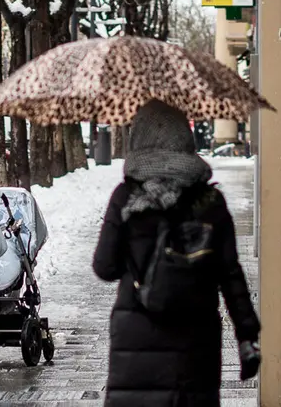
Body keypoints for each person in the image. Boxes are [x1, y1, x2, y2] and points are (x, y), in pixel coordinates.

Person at [92, 100, 261, 406]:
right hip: (195, 341)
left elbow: (104, 267)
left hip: (136, 337)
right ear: (185, 139)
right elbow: (230, 274)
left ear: (138, 139)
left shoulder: (126, 197)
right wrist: (247, 334)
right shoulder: (210, 200)